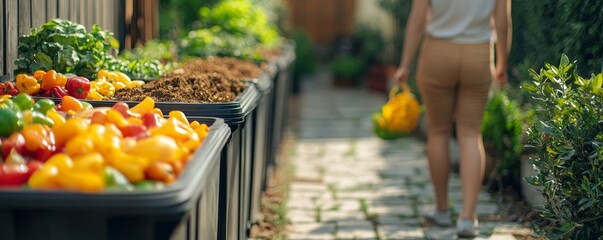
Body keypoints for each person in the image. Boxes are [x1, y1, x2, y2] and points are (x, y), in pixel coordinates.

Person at [392, 0, 511, 238]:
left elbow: (417, 20)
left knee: (438, 132)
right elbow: (503, 23)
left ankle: (442, 209)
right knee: (470, 134)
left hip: (437, 53)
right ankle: (468, 217)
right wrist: (502, 64)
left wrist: (404, 65)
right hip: (478, 54)